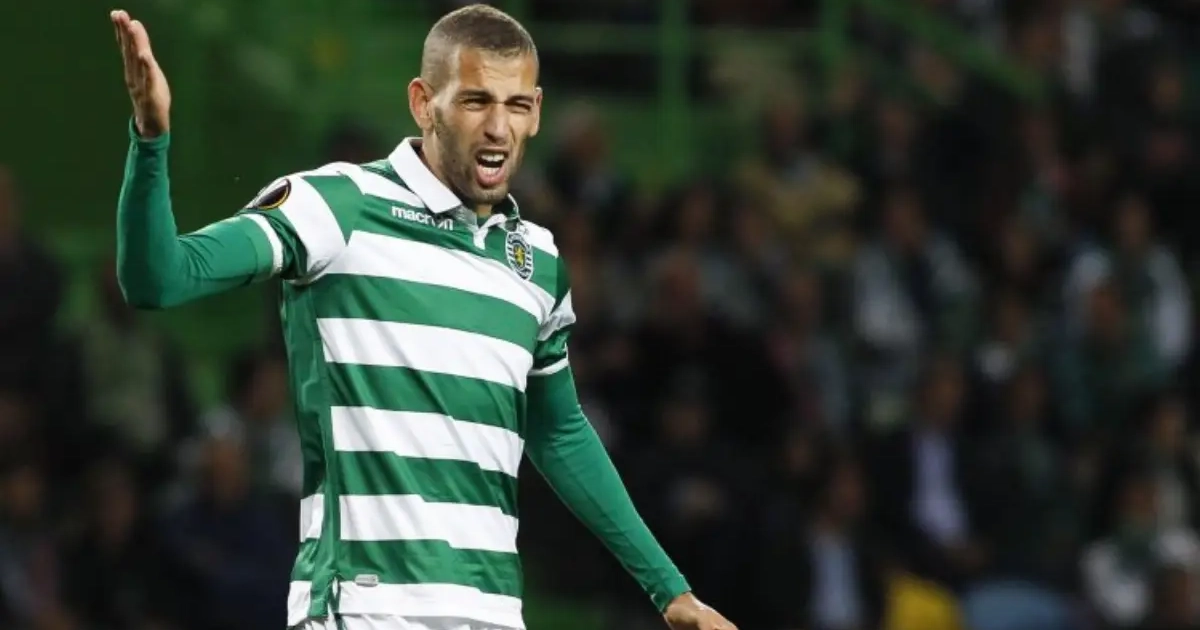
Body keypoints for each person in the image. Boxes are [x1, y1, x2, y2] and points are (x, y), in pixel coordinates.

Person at [108, 4, 736, 630]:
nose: (498, 127)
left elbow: (560, 431)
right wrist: (151, 139)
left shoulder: (537, 261)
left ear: (537, 111)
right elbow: (160, 279)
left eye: (516, 105)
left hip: (492, 612)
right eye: (475, 102)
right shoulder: (339, 205)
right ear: (422, 103)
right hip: (364, 607)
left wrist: (671, 591)